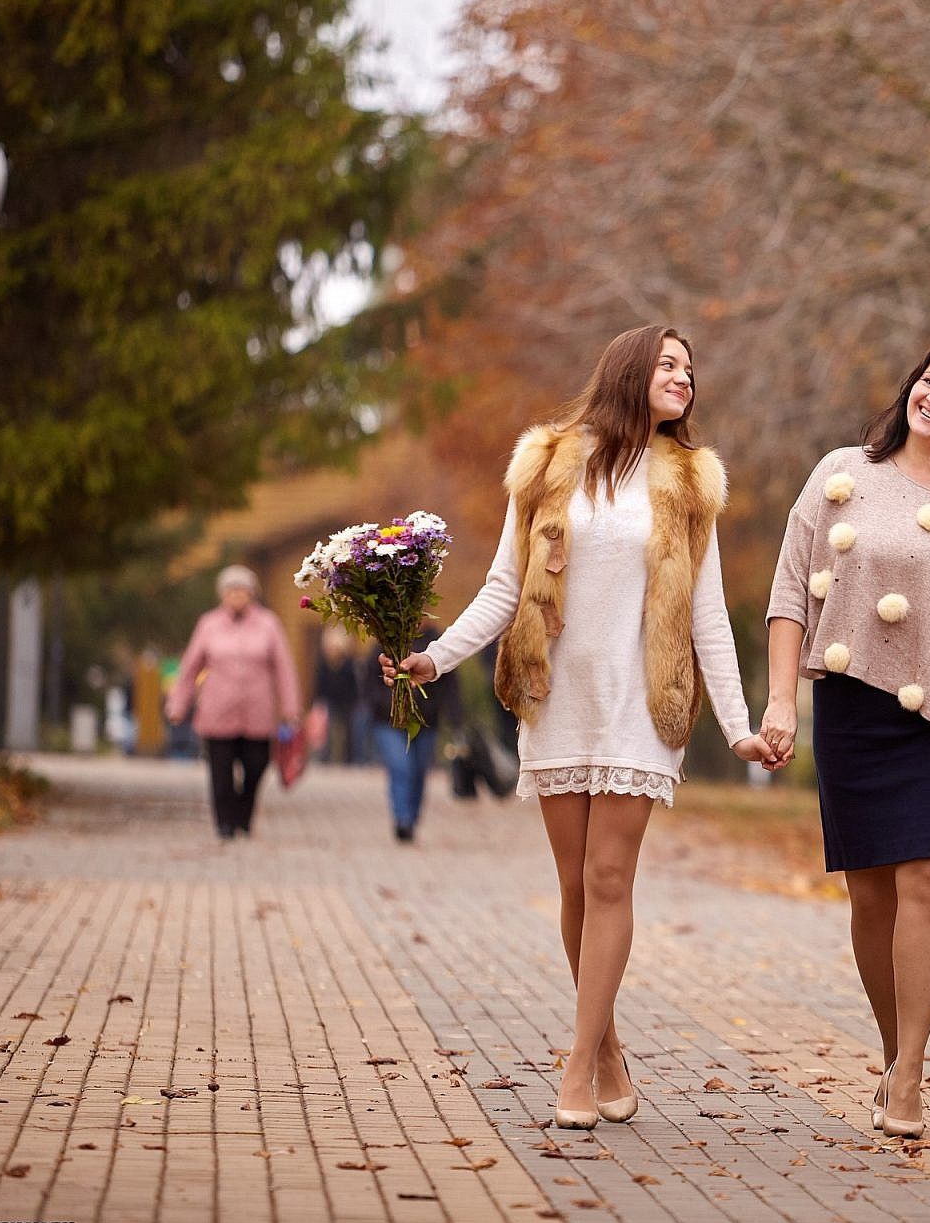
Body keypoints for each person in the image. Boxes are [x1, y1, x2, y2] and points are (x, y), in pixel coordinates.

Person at [383, 325, 778, 1130]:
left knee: (607, 881)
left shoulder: (689, 484)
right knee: (572, 886)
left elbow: (706, 617)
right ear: (630, 370)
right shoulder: (547, 463)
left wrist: (738, 726)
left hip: (640, 701)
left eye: (691, 371)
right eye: (670, 365)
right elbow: (503, 586)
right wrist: (435, 657)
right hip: (556, 694)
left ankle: (573, 1067)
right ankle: (607, 1050)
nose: (685, 379)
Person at [761, 334, 930, 1140]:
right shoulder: (841, 473)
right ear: (910, 386)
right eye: (929, 381)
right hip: (853, 711)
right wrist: (783, 704)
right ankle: (892, 1054)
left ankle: (910, 1073)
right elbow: (789, 595)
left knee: (927, 883)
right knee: (871, 896)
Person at [165, 564, 302, 840]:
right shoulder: (209, 624)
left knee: (256, 766)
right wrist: (178, 705)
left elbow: (284, 668)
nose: (237, 596)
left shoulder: (269, 624)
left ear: (252, 593)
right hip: (218, 709)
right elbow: (190, 667)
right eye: (231, 591)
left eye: (242, 590)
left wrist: (290, 708)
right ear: (222, 595)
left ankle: (244, 814)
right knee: (220, 772)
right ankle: (224, 824)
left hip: (258, 711)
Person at [363, 625, 460, 842]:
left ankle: (412, 817)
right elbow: (369, 680)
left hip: (426, 720)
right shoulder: (385, 637)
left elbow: (450, 682)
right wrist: (380, 704)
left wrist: (454, 718)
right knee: (401, 767)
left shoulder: (435, 639)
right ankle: (402, 819)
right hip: (388, 721)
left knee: (419, 771)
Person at [312, 626, 362, 764]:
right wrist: (318, 702)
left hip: (346, 703)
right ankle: (326, 757)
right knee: (328, 730)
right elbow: (319, 685)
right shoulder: (323, 664)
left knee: (347, 730)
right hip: (329, 701)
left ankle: (346, 758)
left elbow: (353, 686)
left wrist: (354, 701)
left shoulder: (348, 664)